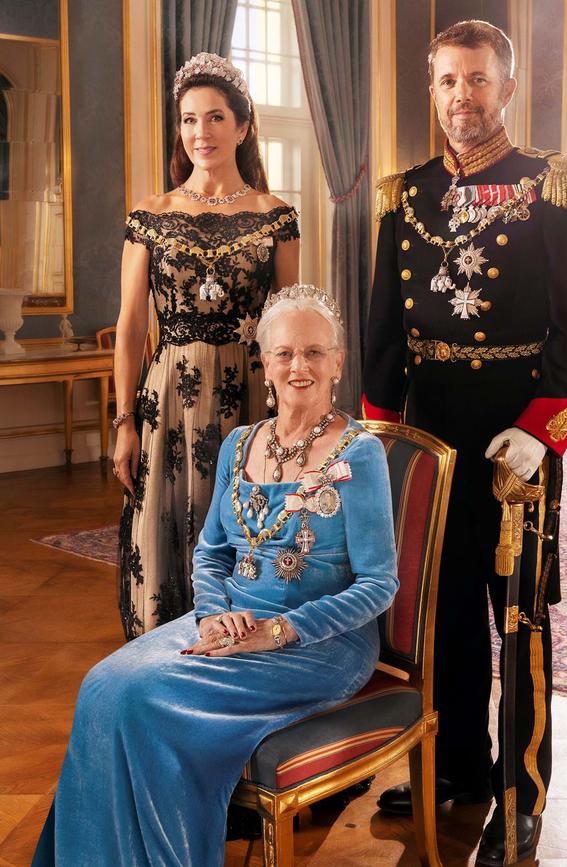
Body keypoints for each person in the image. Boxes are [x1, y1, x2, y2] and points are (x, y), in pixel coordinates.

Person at [31, 283, 399, 867]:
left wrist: (278, 632)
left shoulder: (358, 454)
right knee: (103, 684)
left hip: (318, 645)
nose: (299, 366)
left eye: (314, 352)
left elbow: (379, 585)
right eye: (284, 353)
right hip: (227, 623)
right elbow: (211, 554)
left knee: (144, 697)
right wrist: (214, 615)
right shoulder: (238, 443)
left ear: (338, 362)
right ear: (264, 362)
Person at [363, 19, 567, 865]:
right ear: (432, 91)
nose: (461, 98)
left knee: (519, 615)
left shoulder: (556, 185)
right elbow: (384, 328)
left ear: (505, 87)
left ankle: (521, 791)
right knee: (444, 615)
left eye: (476, 80)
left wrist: (545, 431)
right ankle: (459, 766)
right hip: (431, 435)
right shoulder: (408, 193)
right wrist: (380, 431)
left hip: (515, 442)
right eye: (447, 82)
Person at [114, 53, 300, 640]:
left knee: (245, 524)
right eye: (189, 120)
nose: (201, 133)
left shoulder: (277, 218)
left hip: (250, 398)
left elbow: (291, 327)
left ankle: (241, 647)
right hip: (166, 399)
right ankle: (161, 658)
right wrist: (123, 421)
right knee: (163, 527)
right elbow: (129, 327)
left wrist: (293, 420)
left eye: (215, 118)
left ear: (243, 127)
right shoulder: (151, 215)